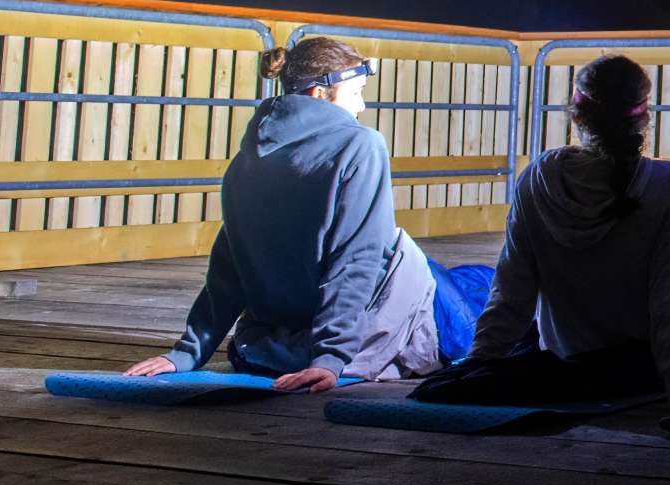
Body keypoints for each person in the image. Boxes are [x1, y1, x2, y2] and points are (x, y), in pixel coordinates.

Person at [126, 38, 442, 391]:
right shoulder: (361, 145)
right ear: (321, 94)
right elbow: (358, 257)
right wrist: (331, 357)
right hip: (360, 325)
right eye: (356, 93)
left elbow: (229, 265)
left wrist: (188, 352)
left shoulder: (246, 161)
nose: (362, 106)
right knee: (424, 265)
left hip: (275, 337)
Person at [422, 54, 670, 414]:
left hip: (567, 359)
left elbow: (512, 287)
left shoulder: (537, 178)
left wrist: (480, 360)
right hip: (640, 367)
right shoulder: (669, 184)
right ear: (643, 116)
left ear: (577, 114)